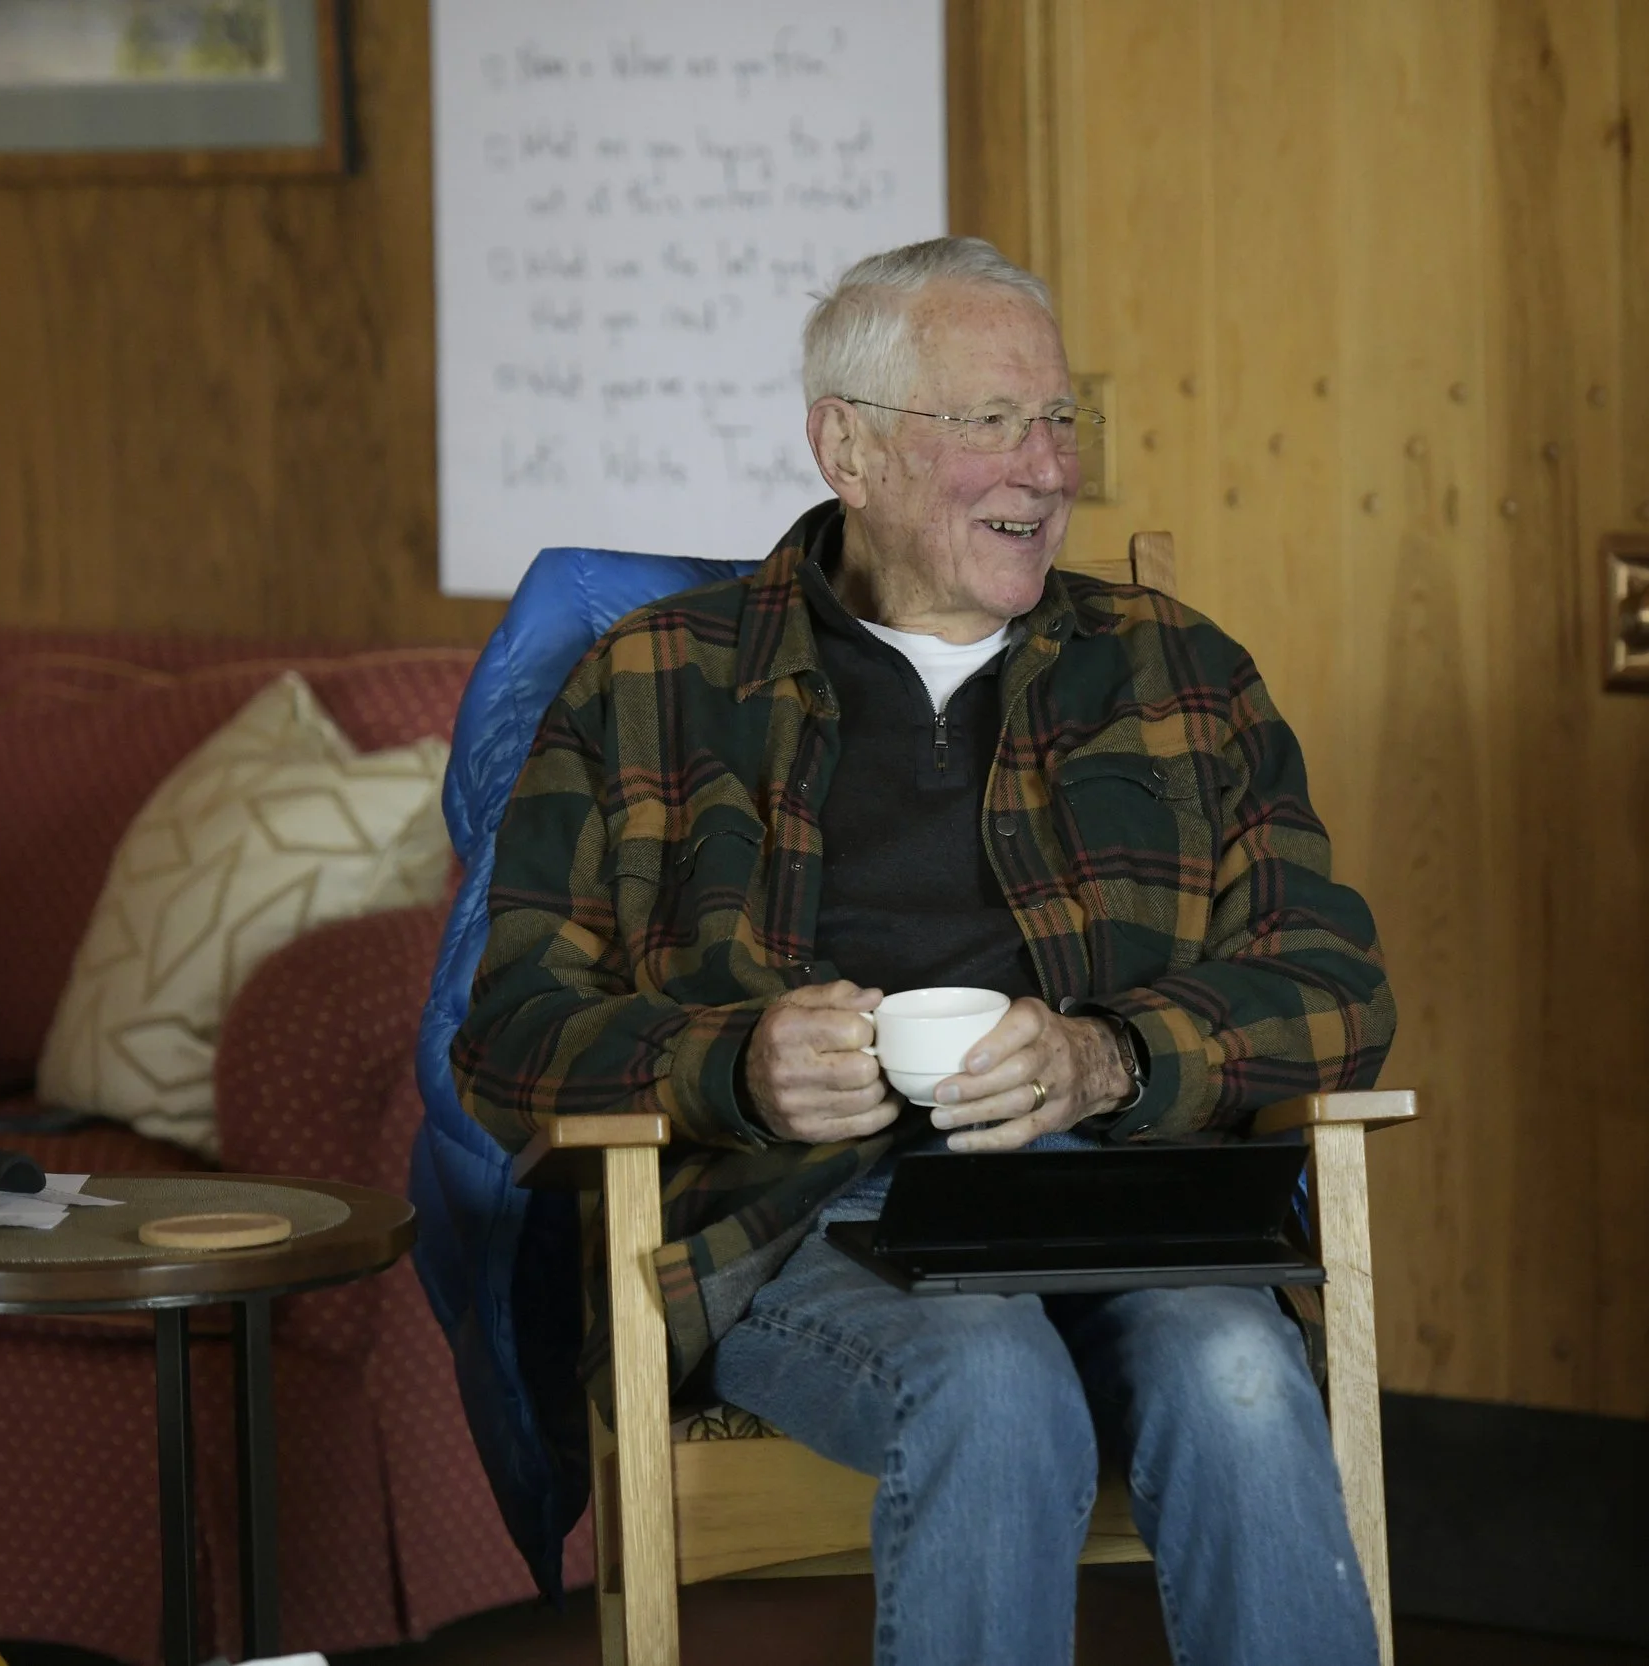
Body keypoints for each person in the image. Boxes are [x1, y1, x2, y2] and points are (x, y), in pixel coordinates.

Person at [452, 235, 1396, 1666]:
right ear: (849, 446)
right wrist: (736, 1068)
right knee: (991, 1382)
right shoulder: (653, 681)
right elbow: (511, 1031)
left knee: (1246, 1371)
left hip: (1124, 1205)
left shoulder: (1178, 674)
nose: (1045, 467)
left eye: (1059, 420)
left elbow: (1338, 990)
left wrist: (1110, 1059)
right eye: (990, 422)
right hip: (805, 1217)